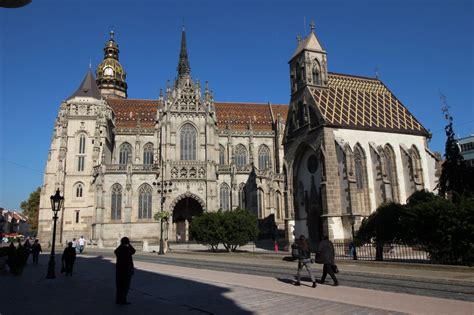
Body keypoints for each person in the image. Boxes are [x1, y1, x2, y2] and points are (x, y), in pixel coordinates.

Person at [114, 237, 136, 305]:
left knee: (119, 286)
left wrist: (122, 244)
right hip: (127, 270)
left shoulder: (119, 250)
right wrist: (129, 244)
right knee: (125, 286)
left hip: (119, 270)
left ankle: (118, 300)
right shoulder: (128, 250)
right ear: (127, 242)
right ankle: (123, 300)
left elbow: (115, 251)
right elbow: (133, 250)